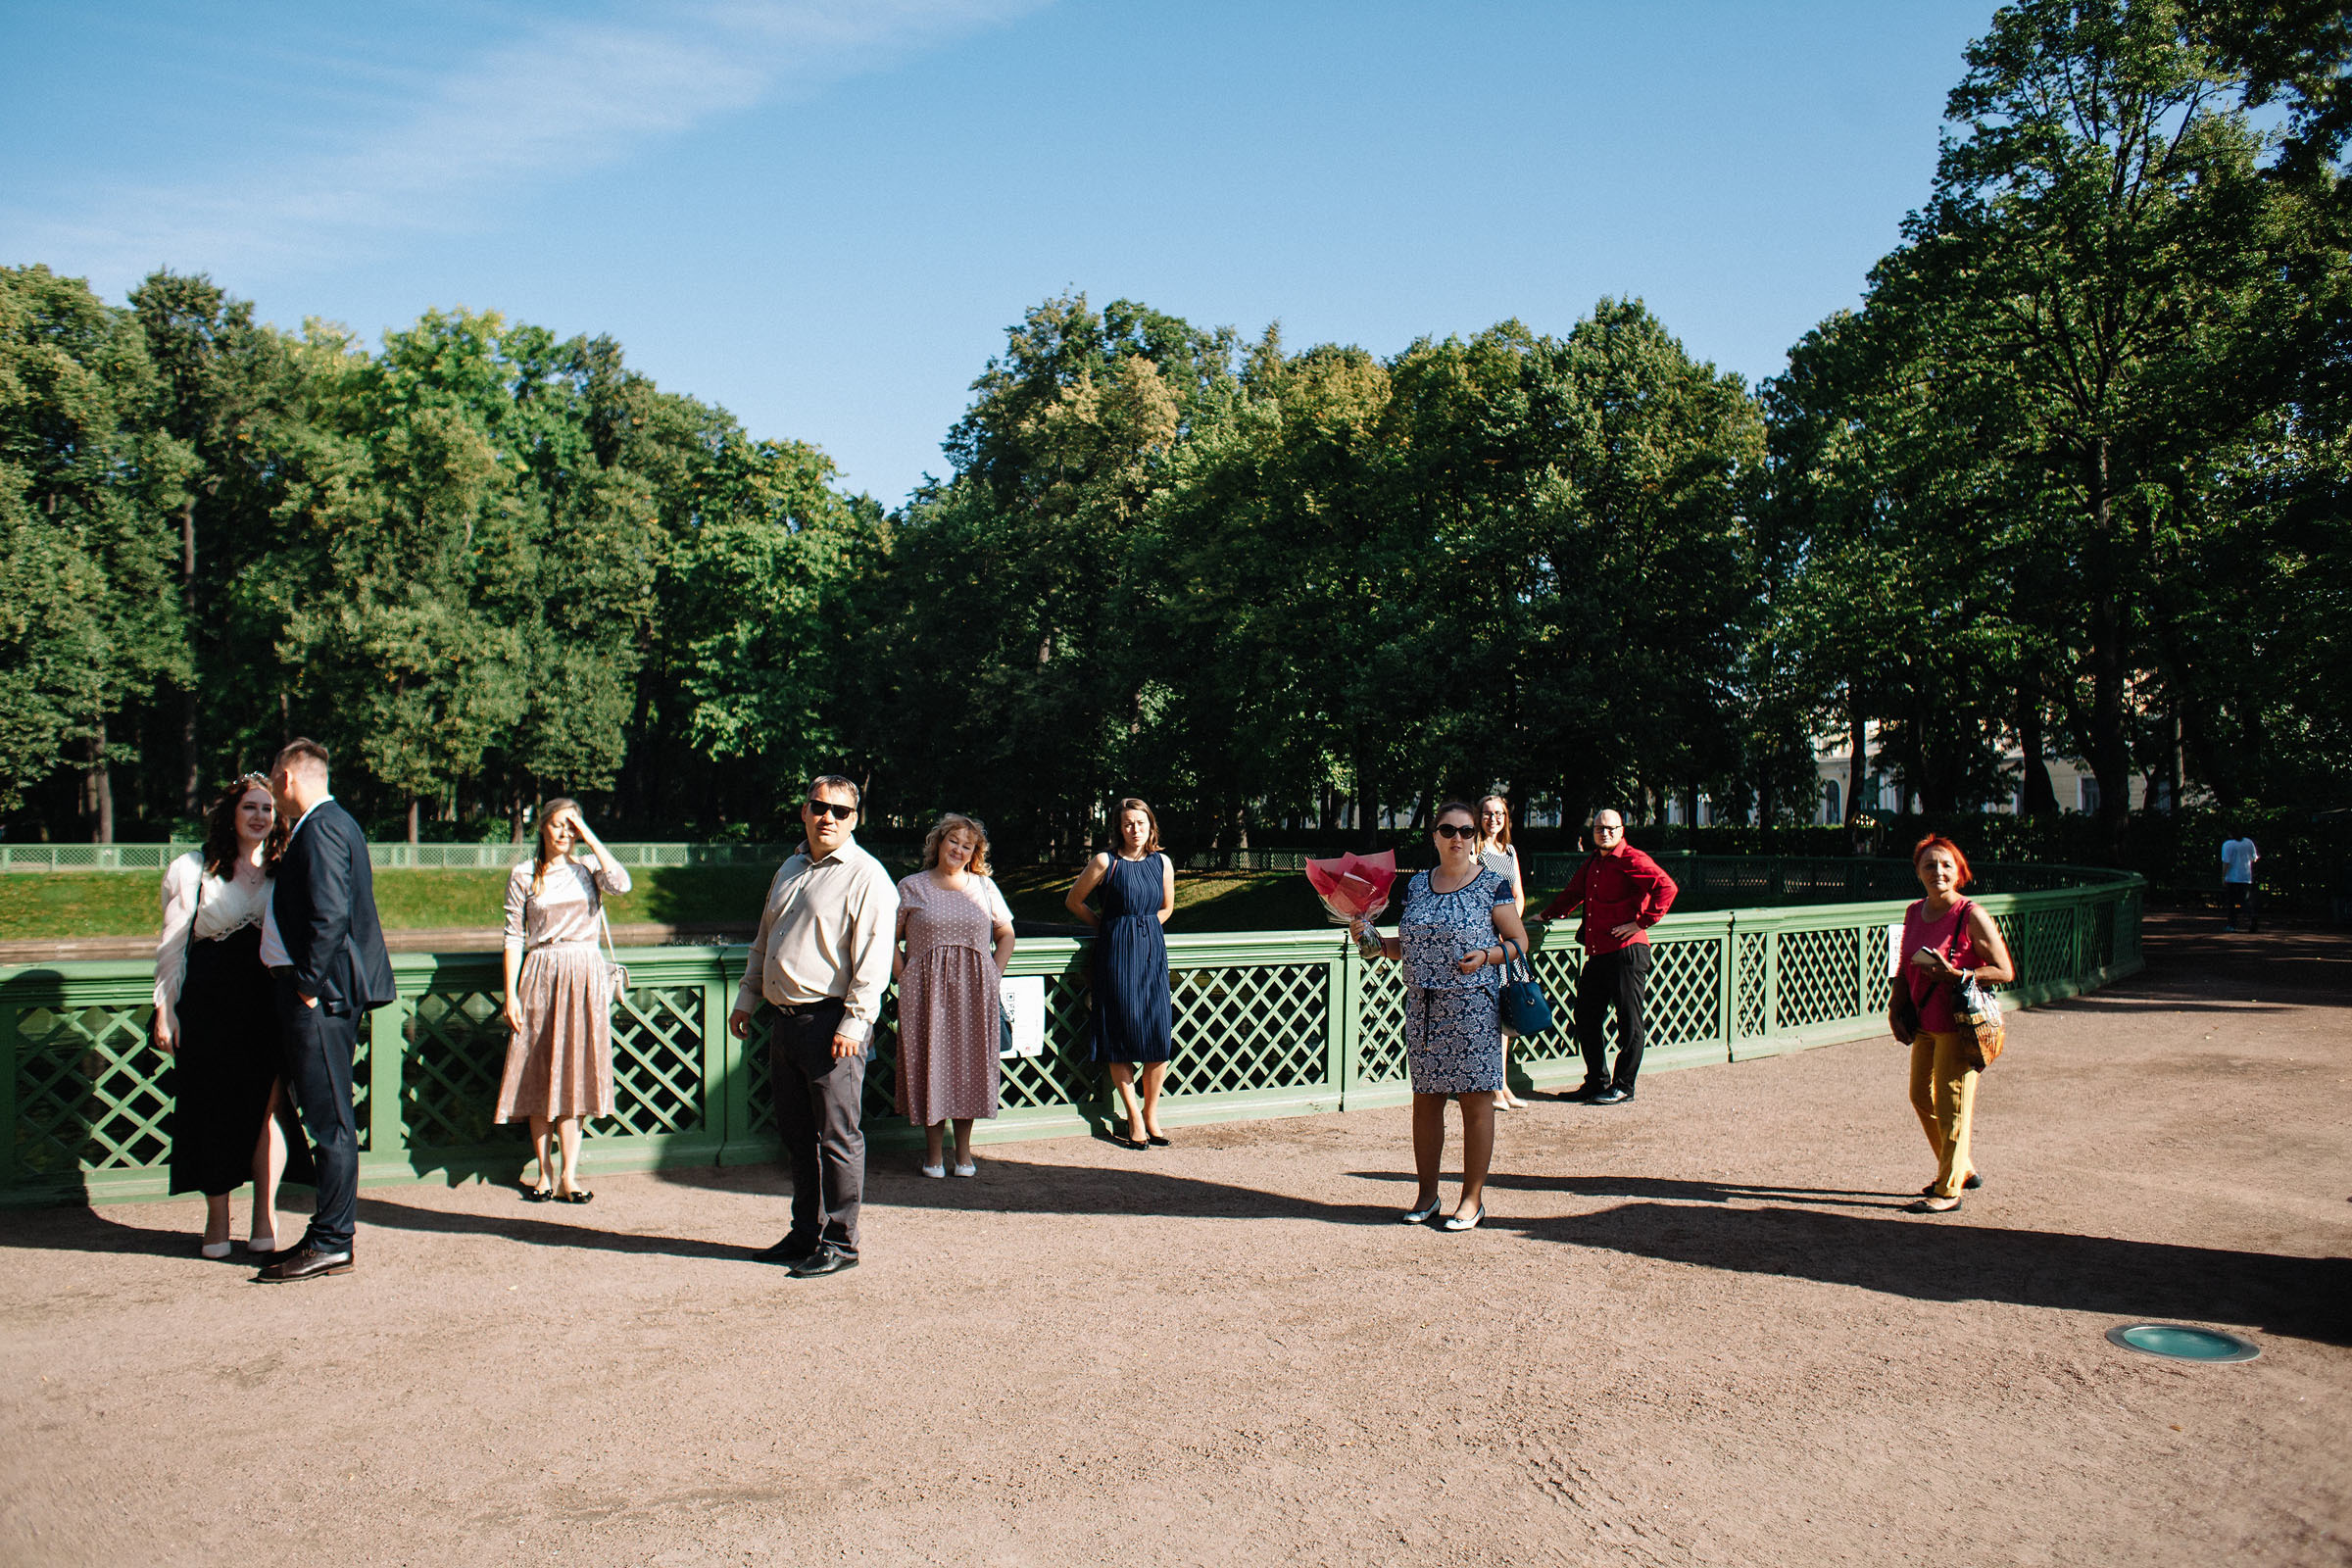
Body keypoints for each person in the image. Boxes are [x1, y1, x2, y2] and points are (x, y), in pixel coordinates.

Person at [728, 775, 899, 1278]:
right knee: (797, 1136)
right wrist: (747, 997)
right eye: (820, 806)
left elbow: (874, 960)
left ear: (855, 819)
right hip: (784, 1022)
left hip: (832, 1025)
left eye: (840, 811)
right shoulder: (790, 867)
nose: (828, 817)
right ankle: (806, 1231)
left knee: (837, 1137)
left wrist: (855, 1022)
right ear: (804, 811)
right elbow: (765, 939)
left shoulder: (867, 877)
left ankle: (841, 1243)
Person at [154, 774, 313, 1257]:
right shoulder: (193, 868)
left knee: (269, 1108)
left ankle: (265, 1216)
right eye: (250, 807)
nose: (260, 816)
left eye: (268, 808)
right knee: (212, 1109)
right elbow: (172, 946)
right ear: (231, 813)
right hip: (209, 1001)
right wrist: (165, 1009)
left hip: (267, 1001)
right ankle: (218, 1218)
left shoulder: (284, 869)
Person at [256, 738, 395, 1282]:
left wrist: (308, 986)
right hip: (321, 993)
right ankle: (328, 1235)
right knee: (327, 1116)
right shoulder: (330, 824)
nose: (272, 787)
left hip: (320, 996)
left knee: (331, 1121)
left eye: (273, 777)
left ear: (287, 777)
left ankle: (333, 1241)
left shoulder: (323, 827)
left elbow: (331, 914)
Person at [1353, 801, 1530, 1231]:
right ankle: (1427, 1195)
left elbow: (1519, 941)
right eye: (1448, 830)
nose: (1457, 838)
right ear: (1434, 836)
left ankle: (1472, 1199)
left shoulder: (1491, 883)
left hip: (1473, 1006)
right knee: (1426, 1101)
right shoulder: (1417, 885)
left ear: (1474, 838)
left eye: (1466, 831)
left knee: (1476, 1100)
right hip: (1424, 1006)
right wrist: (1368, 939)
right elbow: (1404, 947)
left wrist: (1487, 955)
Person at [495, 799, 630, 1203]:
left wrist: (588, 834)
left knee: (574, 1074)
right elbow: (513, 936)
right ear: (542, 827)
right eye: (558, 824)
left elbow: (622, 883)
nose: (564, 833)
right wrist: (510, 994)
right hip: (541, 973)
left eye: (571, 826)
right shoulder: (524, 874)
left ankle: (570, 1174)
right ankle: (544, 1172)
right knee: (538, 1072)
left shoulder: (589, 867)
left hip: (584, 975)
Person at [893, 813, 1017, 1178]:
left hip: (975, 993)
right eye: (954, 841)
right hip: (924, 994)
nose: (959, 850)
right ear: (939, 842)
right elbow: (887, 938)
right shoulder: (911, 886)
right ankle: (933, 1155)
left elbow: (1006, 934)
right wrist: (904, 976)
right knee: (929, 1066)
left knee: (969, 1069)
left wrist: (993, 973)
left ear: (974, 853)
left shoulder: (984, 887)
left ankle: (963, 1153)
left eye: (967, 846)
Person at [1897, 834, 2016, 1214]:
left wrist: (1959, 974)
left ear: (1959, 871)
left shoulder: (1970, 914)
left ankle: (1948, 1190)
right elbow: (1903, 964)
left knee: (1953, 1106)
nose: (1938, 871)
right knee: (1920, 1096)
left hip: (1959, 1024)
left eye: (1946, 865)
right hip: (1924, 1021)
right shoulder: (1914, 912)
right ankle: (1961, 1167)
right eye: (1929, 865)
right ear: (1918, 871)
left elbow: (2004, 970)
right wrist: (1895, 1005)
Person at [1536, 808, 1678, 1104]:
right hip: (1599, 951)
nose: (1605, 833)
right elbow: (1572, 894)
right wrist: (1546, 915)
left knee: (1629, 1022)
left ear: (1622, 831)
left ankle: (1624, 1086)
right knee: (1585, 1016)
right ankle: (1596, 1082)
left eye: (1612, 828)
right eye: (1600, 828)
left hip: (1627, 952)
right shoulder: (1594, 862)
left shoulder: (1632, 859)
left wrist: (1641, 923)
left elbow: (1667, 887)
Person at [1065, 798, 1176, 1150]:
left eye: (1141, 823)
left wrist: (1146, 928)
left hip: (1152, 953)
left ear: (1150, 825)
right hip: (1115, 954)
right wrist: (1109, 926)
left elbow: (1167, 907)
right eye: (1128, 824)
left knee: (1158, 1038)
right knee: (1120, 1036)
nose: (1135, 830)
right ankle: (1133, 1117)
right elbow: (1073, 901)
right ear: (1119, 828)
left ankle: (1151, 1114)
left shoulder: (1162, 862)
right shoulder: (1105, 861)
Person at [1475, 795, 1529, 1111]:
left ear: (1506, 818)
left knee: (1506, 1016)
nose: (1493, 818)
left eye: (1499, 813)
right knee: (1488, 1015)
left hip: (1506, 943)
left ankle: (1503, 1083)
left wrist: (1511, 926)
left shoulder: (1509, 851)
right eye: (1487, 813)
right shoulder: (1475, 850)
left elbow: (1518, 894)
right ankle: (1492, 1087)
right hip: (1486, 943)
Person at [2220, 828, 2260, 932]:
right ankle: (2252, 915)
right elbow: (2254, 858)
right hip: (2245, 877)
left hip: (2232, 878)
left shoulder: (2228, 845)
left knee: (2231, 902)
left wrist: (2223, 876)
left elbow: (2226, 862)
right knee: (2244, 900)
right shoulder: (2248, 842)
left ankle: (2232, 925)